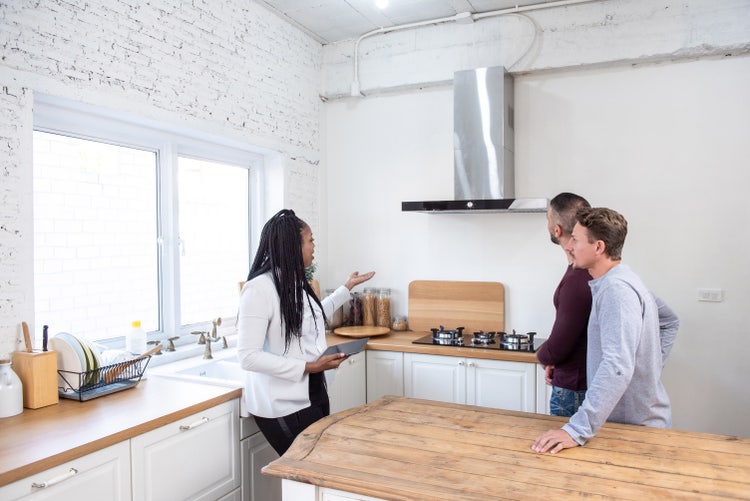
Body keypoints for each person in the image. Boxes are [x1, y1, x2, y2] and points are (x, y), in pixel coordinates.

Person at [532, 207, 679, 454]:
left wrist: (575, 430)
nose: (569, 247)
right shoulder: (622, 279)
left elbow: (617, 365)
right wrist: (647, 370)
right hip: (628, 423)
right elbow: (669, 320)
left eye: (576, 240)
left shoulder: (616, 290)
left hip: (632, 430)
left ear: (598, 247)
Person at [237, 209, 375, 456]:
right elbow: (248, 356)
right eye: (310, 240)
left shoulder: (293, 281)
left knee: (320, 467)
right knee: (308, 467)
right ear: (293, 246)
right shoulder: (258, 290)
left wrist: (346, 288)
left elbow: (312, 315)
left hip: (312, 389)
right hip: (280, 403)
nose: (314, 246)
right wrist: (308, 368)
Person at [536, 192, 592, 416]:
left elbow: (562, 340)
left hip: (574, 387)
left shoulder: (578, 278)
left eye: (549, 219)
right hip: (576, 379)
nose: (548, 225)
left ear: (557, 229)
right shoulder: (582, 270)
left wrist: (545, 356)